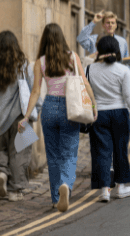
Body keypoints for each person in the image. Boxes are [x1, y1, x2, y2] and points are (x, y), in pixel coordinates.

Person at [19, 23, 97, 212]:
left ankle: (55, 198)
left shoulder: (40, 62)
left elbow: (36, 91)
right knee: (69, 153)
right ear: (62, 38)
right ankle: (66, 185)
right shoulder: (72, 57)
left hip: (49, 108)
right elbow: (85, 83)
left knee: (52, 155)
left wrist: (26, 116)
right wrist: (94, 106)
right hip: (70, 108)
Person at [0, 31, 37, 201]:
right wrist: (35, 110)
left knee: (0, 150)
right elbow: (33, 90)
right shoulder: (23, 65)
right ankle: (14, 191)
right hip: (20, 117)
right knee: (20, 153)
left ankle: (2, 173)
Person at [86, 36, 130, 202]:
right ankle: (121, 187)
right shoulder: (123, 70)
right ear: (117, 51)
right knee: (120, 150)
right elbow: (128, 95)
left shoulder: (90, 69)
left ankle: (105, 190)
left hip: (99, 114)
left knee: (101, 152)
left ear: (99, 51)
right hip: (120, 113)